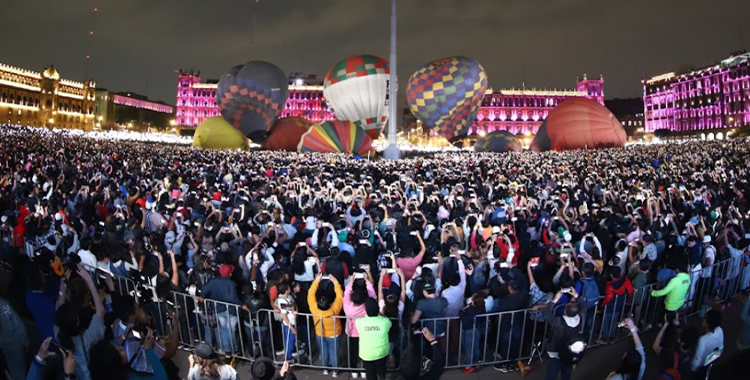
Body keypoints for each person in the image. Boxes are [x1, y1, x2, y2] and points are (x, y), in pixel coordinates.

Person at [55, 264, 106, 380]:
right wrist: (89, 280)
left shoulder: (58, 333)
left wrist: (63, 286)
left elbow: (60, 311)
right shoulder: (86, 339)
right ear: (77, 322)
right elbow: (101, 312)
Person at [543, 288, 587, 380]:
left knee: (551, 375)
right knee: (567, 373)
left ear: (564, 311)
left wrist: (555, 299)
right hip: (570, 352)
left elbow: (547, 313)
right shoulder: (580, 318)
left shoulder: (559, 322)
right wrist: (576, 296)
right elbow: (584, 306)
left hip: (555, 353)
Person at [307, 272, 344, 377]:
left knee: (323, 352)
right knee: (334, 353)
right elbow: (340, 296)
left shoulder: (314, 309)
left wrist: (316, 281)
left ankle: (325, 369)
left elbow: (310, 294)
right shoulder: (334, 309)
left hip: (320, 333)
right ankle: (335, 370)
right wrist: (335, 283)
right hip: (334, 334)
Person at [88, 333, 168, 380]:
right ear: (116, 363)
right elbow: (162, 377)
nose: (121, 347)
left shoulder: (103, 371)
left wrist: (124, 336)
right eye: (119, 350)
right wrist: (148, 349)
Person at [355, 298, 392, 380]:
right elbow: (389, 324)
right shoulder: (385, 322)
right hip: (381, 352)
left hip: (367, 354)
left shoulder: (360, 322)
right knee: (382, 369)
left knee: (370, 374)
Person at [691, 309, 724, 376]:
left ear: (707, 324)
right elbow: (721, 348)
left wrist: (692, 369)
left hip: (701, 364)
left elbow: (697, 359)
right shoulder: (720, 330)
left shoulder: (703, 340)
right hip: (712, 359)